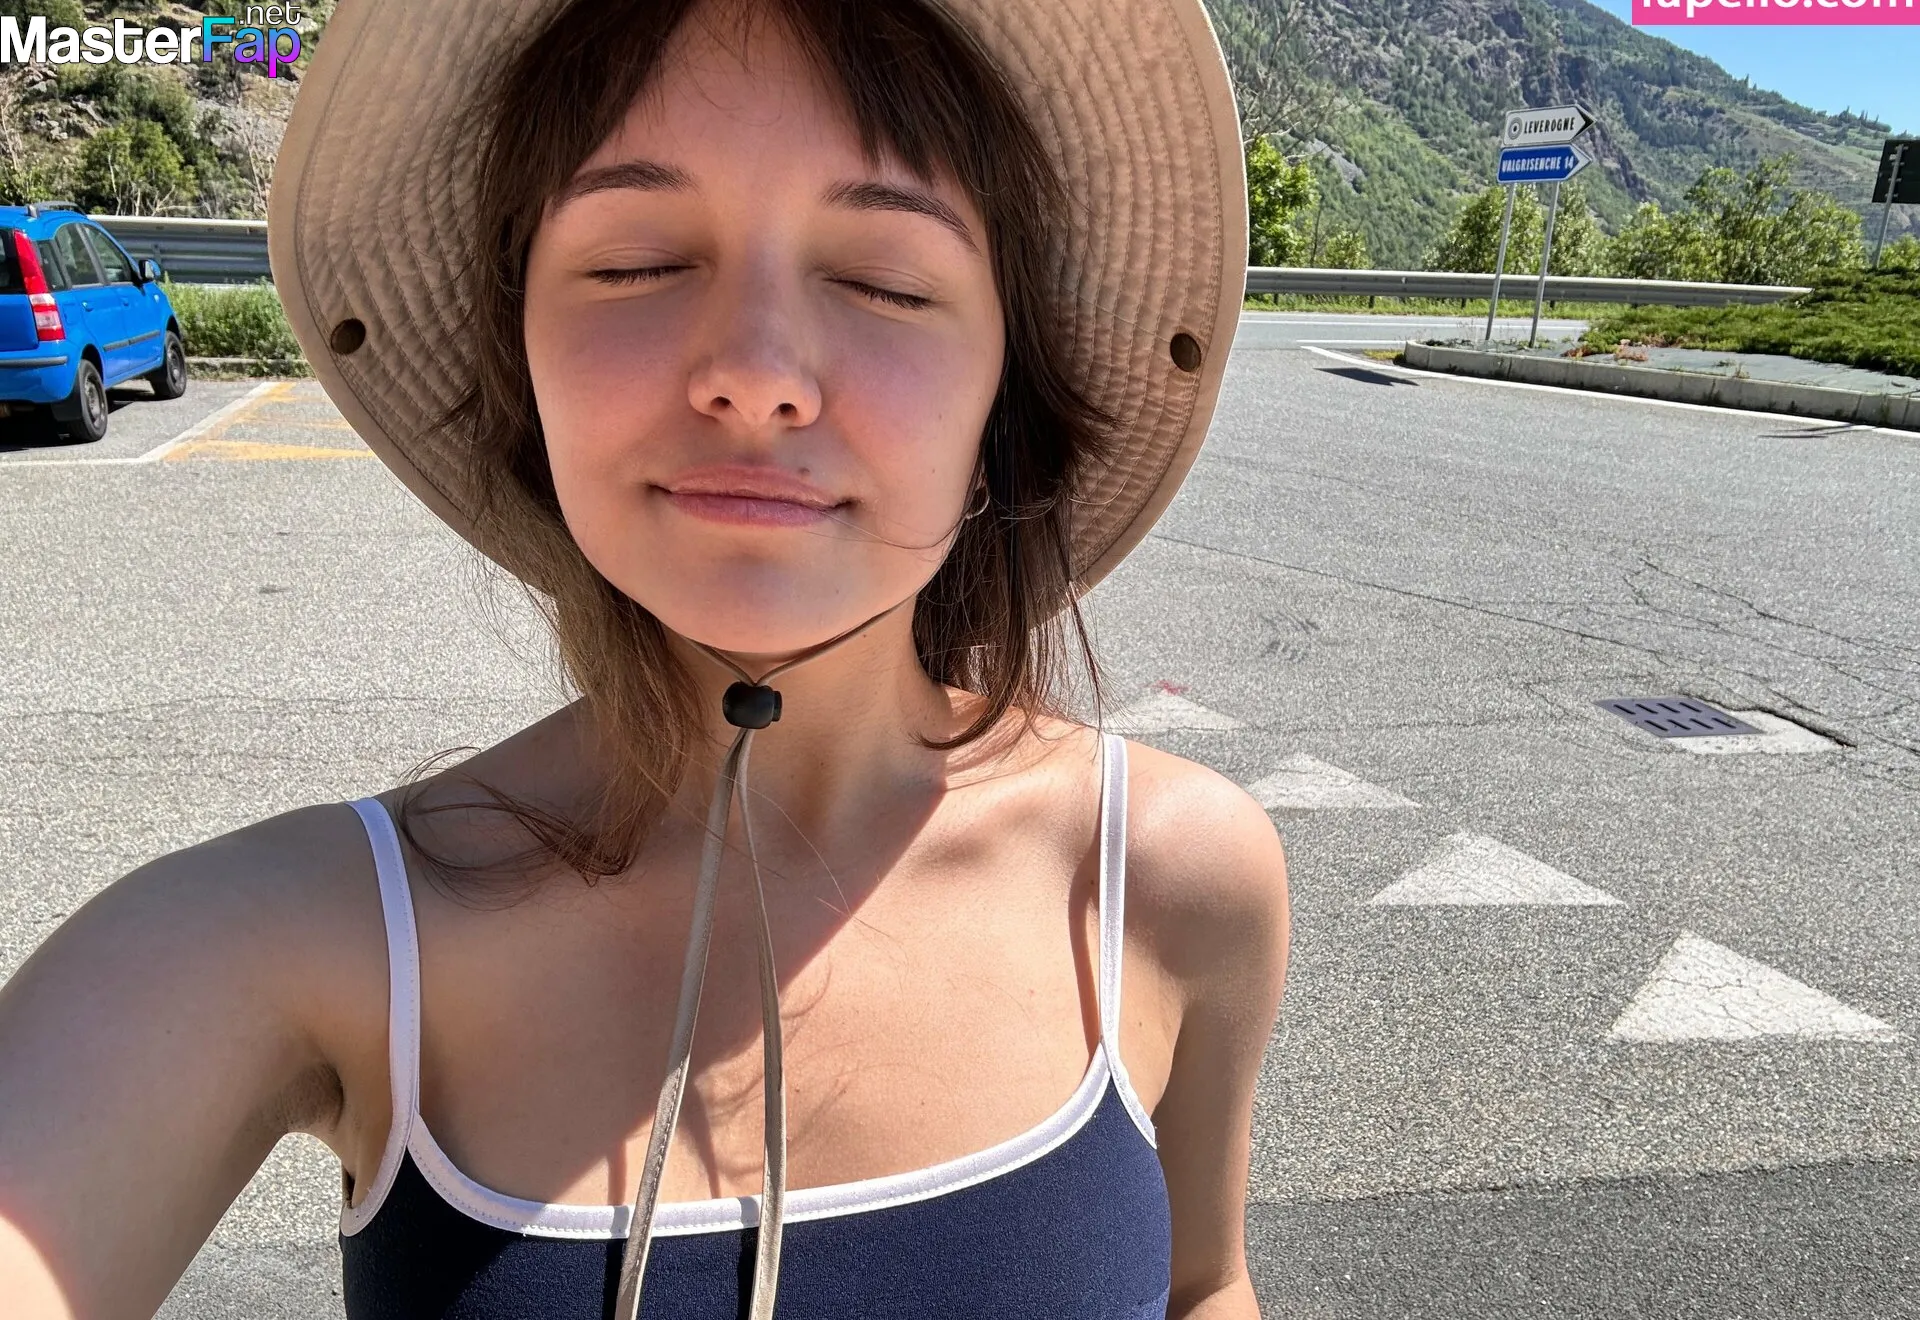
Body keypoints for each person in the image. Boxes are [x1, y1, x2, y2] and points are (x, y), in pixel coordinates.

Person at [0, 0, 1289, 1315]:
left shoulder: (1168, 875)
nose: (756, 373)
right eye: (637, 262)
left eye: (888, 281)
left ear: (1002, 390)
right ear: (522, 352)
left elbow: (1207, 1286)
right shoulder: (308, 935)